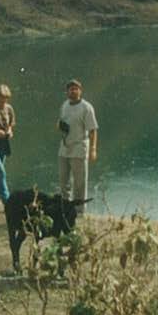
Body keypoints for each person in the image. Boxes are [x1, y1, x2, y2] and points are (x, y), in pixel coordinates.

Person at [57, 79, 98, 216]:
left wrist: (93, 149)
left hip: (79, 148)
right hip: (64, 147)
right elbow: (61, 122)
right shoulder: (64, 105)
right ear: (67, 92)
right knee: (63, 180)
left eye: (76, 89)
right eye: (70, 89)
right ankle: (65, 207)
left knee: (80, 182)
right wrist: (60, 126)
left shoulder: (86, 108)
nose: (73, 91)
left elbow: (93, 130)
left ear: (80, 91)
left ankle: (79, 211)